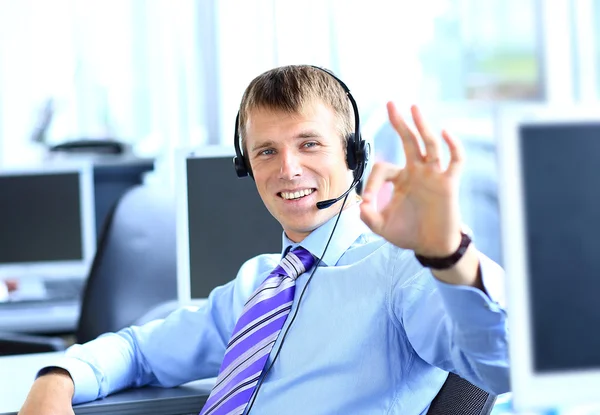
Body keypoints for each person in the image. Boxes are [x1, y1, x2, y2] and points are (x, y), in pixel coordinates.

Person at [19, 65, 509, 415]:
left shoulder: (402, 270)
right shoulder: (258, 284)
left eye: (309, 144)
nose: (287, 168)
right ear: (246, 167)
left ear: (354, 157)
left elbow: (502, 365)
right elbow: (141, 351)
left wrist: (448, 254)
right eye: (266, 151)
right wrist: (56, 379)